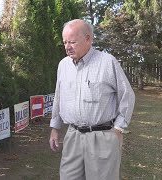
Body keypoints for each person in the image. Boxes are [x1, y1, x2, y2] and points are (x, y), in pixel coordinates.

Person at [49, 19, 135, 180]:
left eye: (72, 42)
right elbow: (59, 97)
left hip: (102, 137)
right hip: (73, 136)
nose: (67, 47)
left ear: (88, 39)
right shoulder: (63, 65)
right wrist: (55, 128)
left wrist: (118, 128)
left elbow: (127, 96)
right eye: (65, 42)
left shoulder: (107, 62)